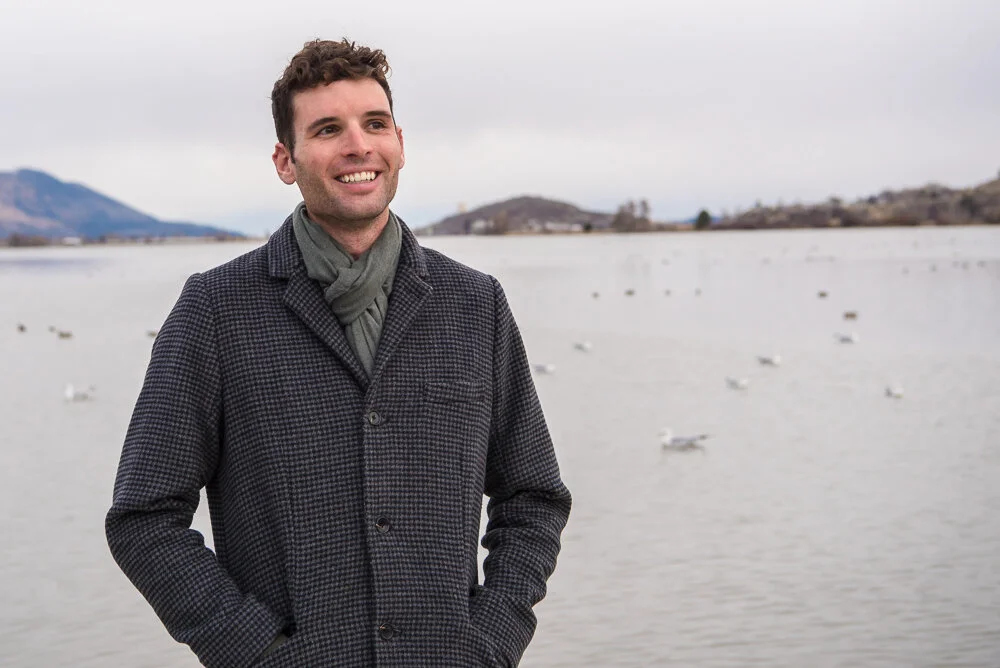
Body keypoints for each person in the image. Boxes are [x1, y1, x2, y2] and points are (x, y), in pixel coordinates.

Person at [105, 38, 571, 667]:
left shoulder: (474, 303)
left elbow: (534, 497)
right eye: (328, 129)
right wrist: (255, 653)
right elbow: (144, 517)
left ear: (399, 142)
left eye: (374, 124)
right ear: (285, 160)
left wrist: (489, 643)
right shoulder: (215, 309)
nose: (358, 146)